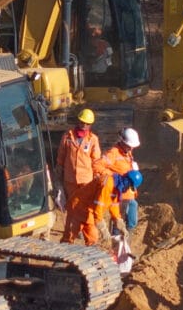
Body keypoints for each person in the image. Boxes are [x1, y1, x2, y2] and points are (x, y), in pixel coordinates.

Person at [57, 107, 106, 245]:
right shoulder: (67, 137)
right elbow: (61, 158)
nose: (84, 125)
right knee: (72, 211)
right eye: (82, 122)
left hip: (86, 182)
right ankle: (68, 240)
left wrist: (97, 177)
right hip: (70, 181)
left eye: (87, 123)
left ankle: (91, 241)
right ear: (78, 121)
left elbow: (96, 161)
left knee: (86, 211)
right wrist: (58, 176)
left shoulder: (93, 140)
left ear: (90, 125)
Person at [101, 127, 142, 259]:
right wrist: (114, 177)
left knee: (131, 223)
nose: (131, 148)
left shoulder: (128, 153)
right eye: (129, 146)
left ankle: (125, 250)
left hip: (130, 194)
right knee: (118, 226)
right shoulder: (113, 153)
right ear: (122, 142)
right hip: (119, 196)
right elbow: (99, 167)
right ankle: (115, 253)